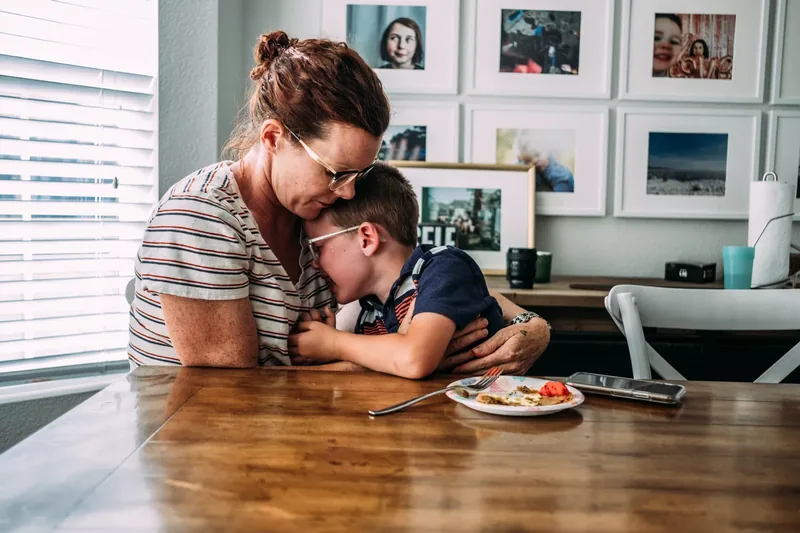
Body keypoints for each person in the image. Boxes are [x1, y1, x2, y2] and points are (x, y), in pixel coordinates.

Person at [128, 30, 548, 375]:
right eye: (335, 172)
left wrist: (533, 326)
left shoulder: (315, 214)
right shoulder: (200, 217)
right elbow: (231, 393)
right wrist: (385, 360)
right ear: (274, 138)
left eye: (357, 175)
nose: (348, 191)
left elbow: (429, 280)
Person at [288, 163, 545, 379]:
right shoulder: (368, 307)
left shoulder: (443, 268)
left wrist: (332, 344)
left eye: (318, 248)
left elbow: (414, 358)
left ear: (367, 238)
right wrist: (318, 356)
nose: (314, 262)